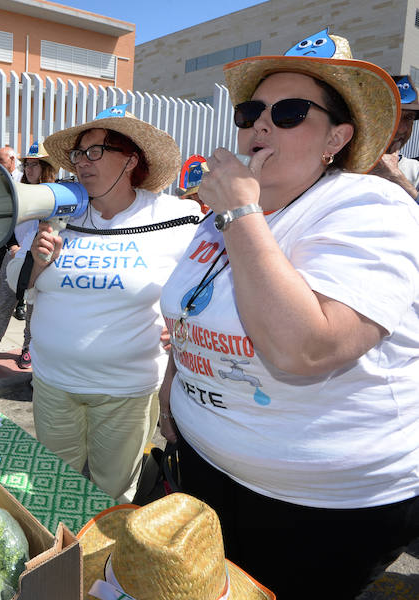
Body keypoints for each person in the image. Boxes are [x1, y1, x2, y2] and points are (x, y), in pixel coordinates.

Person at [158, 32, 419, 599]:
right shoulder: (223, 217)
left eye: (291, 112)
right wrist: (177, 383)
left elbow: (306, 348)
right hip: (207, 466)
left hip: (316, 508)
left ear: (337, 137)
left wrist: (242, 212)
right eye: (250, 112)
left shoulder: (372, 207)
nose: (261, 125)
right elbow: (192, 308)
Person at [7, 105, 201, 503]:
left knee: (110, 495)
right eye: (78, 154)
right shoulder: (58, 209)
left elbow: (203, 286)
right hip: (53, 384)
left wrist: (187, 327)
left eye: (95, 151)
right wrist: (37, 265)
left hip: (125, 391)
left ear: (131, 159)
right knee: (56, 487)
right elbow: (16, 282)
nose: (81, 163)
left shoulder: (176, 217)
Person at [0, 142, 55, 369]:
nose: (29, 170)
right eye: (27, 165)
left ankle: (28, 348)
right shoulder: (16, 188)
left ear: (46, 168)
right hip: (16, 254)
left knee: (33, 305)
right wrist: (13, 246)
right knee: (4, 301)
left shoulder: (55, 194)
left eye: (35, 165)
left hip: (39, 260)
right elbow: (5, 223)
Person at [370, 74, 419, 200]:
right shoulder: (341, 167)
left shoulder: (415, 171)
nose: (401, 129)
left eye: (408, 118)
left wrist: (397, 178)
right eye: (393, 115)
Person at [0, 145, 22, 301]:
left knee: (20, 269)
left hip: (19, 232)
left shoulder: (23, 179)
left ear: (12, 159)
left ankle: (20, 305)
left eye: (0, 161)